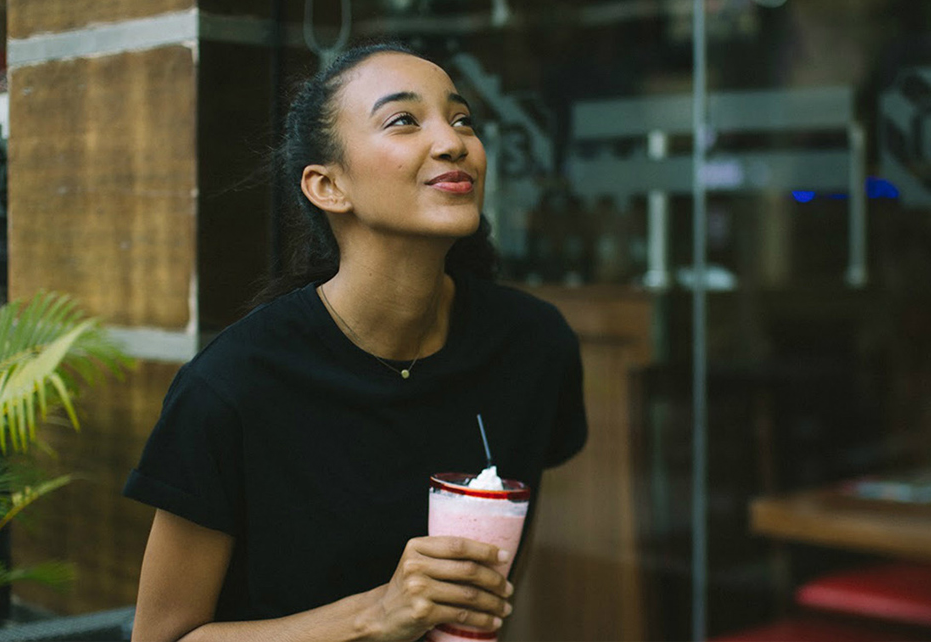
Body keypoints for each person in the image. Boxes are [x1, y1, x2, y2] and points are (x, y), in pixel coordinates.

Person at [123, 42, 587, 642]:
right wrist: (376, 616)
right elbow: (161, 638)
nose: (453, 143)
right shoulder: (231, 387)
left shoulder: (532, 346)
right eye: (403, 120)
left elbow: (493, 589)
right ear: (327, 186)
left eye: (462, 119)